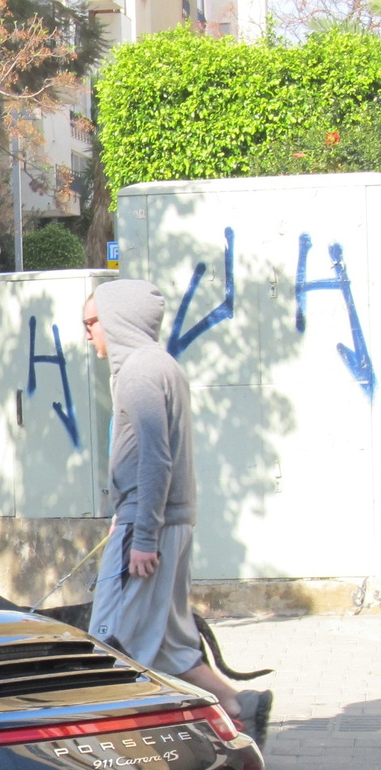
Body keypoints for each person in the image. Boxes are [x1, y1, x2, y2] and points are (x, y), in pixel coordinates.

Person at [83, 279, 273, 745]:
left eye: (92, 323)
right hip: (163, 521)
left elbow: (155, 458)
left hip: (150, 527)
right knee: (168, 644)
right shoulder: (158, 366)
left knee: (113, 639)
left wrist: (142, 534)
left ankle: (127, 742)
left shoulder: (141, 374)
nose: (88, 335)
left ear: (118, 321)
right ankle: (238, 705)